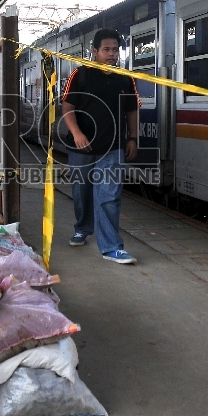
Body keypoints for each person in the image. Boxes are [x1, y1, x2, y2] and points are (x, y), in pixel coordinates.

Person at [61, 28, 141, 264]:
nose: (111, 54)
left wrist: (133, 138)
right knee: (82, 192)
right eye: (106, 49)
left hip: (113, 146)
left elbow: (132, 110)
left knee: (109, 195)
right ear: (94, 51)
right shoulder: (81, 75)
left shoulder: (125, 78)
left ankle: (111, 247)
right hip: (82, 147)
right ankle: (83, 227)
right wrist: (76, 133)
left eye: (115, 50)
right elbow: (67, 107)